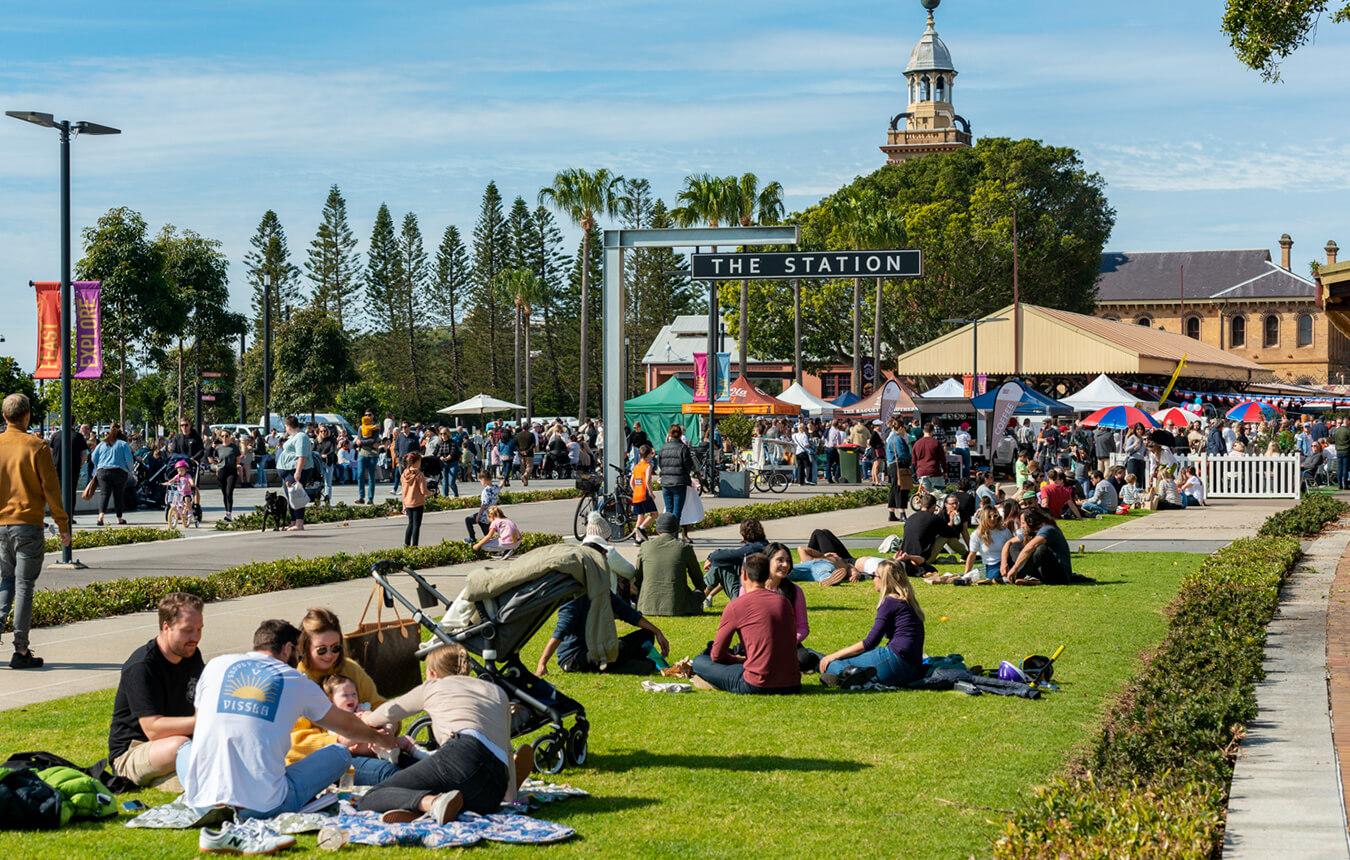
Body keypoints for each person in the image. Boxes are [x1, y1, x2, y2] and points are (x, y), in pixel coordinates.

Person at [178, 619, 395, 820]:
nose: (299, 661)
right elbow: (346, 725)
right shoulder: (294, 679)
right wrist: (379, 738)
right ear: (288, 648)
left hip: (203, 802)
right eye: (299, 655)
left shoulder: (216, 665)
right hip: (265, 806)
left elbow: (203, 721)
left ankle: (217, 800)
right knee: (339, 753)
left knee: (183, 750)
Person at [357, 644, 531, 824]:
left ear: (433, 673)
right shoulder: (497, 691)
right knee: (454, 791)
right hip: (492, 788)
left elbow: (389, 712)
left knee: (372, 797)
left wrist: (366, 718)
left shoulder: (434, 686)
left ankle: (432, 803)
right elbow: (507, 748)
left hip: (462, 754)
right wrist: (509, 800)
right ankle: (429, 807)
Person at [108, 592, 203, 789]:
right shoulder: (142, 666)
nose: (195, 637)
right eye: (188, 630)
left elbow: (201, 703)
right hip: (133, 752)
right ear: (166, 627)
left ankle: (184, 779)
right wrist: (204, 722)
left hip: (175, 746)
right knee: (181, 746)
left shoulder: (191, 654)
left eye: (199, 629)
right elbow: (153, 729)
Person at [535, 542, 670, 675]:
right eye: (603, 561)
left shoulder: (600, 588)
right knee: (620, 648)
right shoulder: (576, 593)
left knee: (646, 635)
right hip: (574, 657)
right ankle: (633, 665)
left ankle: (629, 664)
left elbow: (628, 613)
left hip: (598, 647)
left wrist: (657, 632)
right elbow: (561, 630)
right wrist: (542, 663)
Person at [690, 553, 800, 695]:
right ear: (768, 575)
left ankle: (712, 682)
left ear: (744, 574)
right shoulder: (783, 602)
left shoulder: (737, 606)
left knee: (699, 661)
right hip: (792, 683)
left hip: (757, 683)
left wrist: (736, 659)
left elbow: (717, 656)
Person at [817, 560, 925, 687]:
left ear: (884, 580)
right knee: (844, 661)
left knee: (831, 664)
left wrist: (833, 656)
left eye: (874, 576)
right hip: (914, 669)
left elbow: (870, 642)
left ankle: (850, 675)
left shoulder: (890, 602)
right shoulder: (908, 601)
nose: (873, 579)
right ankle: (855, 677)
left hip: (896, 663)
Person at [633, 513, 705, 616]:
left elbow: (638, 576)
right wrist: (700, 590)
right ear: (675, 530)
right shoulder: (684, 548)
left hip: (647, 605)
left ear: (657, 530)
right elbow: (697, 578)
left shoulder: (645, 546)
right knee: (698, 594)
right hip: (677, 605)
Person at [764, 542, 820, 673]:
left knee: (805, 659)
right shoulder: (751, 588)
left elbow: (802, 627)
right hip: (759, 643)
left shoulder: (795, 591)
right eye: (780, 560)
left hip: (787, 643)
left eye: (788, 561)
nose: (785, 565)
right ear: (767, 561)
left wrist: (786, 644)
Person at [703, 518, 768, 603]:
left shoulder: (750, 550)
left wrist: (710, 557)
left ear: (743, 535)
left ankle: (700, 597)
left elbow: (718, 556)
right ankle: (706, 596)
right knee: (728, 562)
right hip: (763, 593)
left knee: (720, 566)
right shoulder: (766, 546)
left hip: (744, 598)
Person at [1005, 508, 1074, 585]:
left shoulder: (1048, 529)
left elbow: (1030, 547)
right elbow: (1009, 542)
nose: (1021, 526)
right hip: (1044, 572)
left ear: (1031, 522)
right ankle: (1028, 577)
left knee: (1041, 549)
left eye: (1023, 523)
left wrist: (1015, 568)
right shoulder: (1034, 532)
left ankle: (1018, 576)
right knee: (1015, 545)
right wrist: (1003, 564)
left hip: (1060, 576)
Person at [901, 494, 965, 568]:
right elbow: (950, 533)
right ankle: (966, 554)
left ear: (921, 505)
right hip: (921, 559)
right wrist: (951, 521)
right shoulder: (934, 519)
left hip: (905, 557)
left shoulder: (910, 518)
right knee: (945, 537)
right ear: (934, 506)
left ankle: (966, 554)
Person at [90, 423, 134, 526]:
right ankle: (119, 518)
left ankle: (101, 516)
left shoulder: (101, 444)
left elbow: (93, 457)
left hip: (103, 471)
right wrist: (129, 471)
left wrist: (99, 465)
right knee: (118, 495)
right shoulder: (123, 444)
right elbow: (129, 460)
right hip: (119, 471)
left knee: (104, 494)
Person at [276, 416, 313, 531]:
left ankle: (299, 523)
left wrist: (298, 471)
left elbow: (302, 455)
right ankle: (293, 521)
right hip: (287, 472)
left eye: (286, 426)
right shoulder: (294, 437)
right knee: (290, 497)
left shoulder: (301, 437)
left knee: (296, 496)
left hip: (294, 470)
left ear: (288, 426)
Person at [657, 424, 695, 528]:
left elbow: (660, 464)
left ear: (669, 434)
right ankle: (674, 536)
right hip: (679, 481)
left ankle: (667, 534)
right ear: (680, 434)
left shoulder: (663, 448)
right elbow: (688, 465)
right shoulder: (683, 448)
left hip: (666, 482)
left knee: (668, 510)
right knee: (677, 511)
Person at [964, 509, 1012, 582]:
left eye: (995, 516)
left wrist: (1005, 563)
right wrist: (966, 574)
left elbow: (1012, 549)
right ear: (984, 518)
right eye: (989, 517)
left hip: (1006, 562)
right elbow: (972, 554)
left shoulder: (1005, 531)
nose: (992, 519)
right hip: (991, 565)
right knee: (995, 574)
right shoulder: (976, 534)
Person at [210, 431, 242, 523]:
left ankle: (229, 513)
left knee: (229, 492)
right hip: (222, 471)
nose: (224, 437)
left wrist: (237, 467)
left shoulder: (234, 448)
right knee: (224, 493)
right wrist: (217, 469)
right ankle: (226, 510)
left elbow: (238, 459)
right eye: (222, 436)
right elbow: (219, 460)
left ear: (229, 437)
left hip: (231, 470)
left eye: (226, 436)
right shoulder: (218, 448)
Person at [885, 418, 912, 523]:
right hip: (899, 465)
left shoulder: (891, 437)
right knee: (902, 488)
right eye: (904, 428)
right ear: (900, 428)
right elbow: (902, 454)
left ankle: (891, 512)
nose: (904, 430)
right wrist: (910, 458)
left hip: (892, 465)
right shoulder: (898, 438)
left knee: (894, 487)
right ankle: (902, 513)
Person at [400, 451, 428, 547]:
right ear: (416, 462)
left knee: (410, 523)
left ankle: (406, 543)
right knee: (416, 525)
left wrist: (403, 504)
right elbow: (423, 491)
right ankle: (415, 545)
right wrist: (431, 493)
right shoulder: (419, 475)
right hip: (417, 502)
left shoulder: (404, 474)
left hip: (407, 502)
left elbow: (403, 490)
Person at [630, 444, 657, 541]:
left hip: (636, 495)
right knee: (654, 514)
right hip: (644, 494)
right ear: (648, 455)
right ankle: (641, 529)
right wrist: (651, 493)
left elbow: (631, 482)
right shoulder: (648, 466)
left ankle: (638, 539)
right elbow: (647, 481)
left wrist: (635, 490)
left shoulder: (636, 467)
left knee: (640, 517)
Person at [464, 471, 500, 542]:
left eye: (481, 481)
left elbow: (484, 504)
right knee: (488, 535)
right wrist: (502, 484)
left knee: (468, 520)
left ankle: (472, 538)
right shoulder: (496, 487)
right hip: (492, 515)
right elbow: (500, 487)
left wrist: (478, 516)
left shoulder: (486, 491)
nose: (481, 483)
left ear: (483, 480)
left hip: (484, 516)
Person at [911, 424, 946, 495]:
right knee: (939, 494)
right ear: (933, 432)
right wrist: (945, 471)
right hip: (934, 471)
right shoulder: (936, 443)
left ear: (923, 431)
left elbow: (914, 461)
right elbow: (942, 459)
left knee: (925, 496)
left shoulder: (917, 443)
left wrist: (917, 469)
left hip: (922, 472)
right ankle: (938, 505)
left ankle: (925, 505)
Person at [356, 414, 380, 504]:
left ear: (373, 416)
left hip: (372, 454)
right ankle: (361, 497)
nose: (367, 416)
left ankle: (370, 498)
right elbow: (358, 440)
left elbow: (373, 440)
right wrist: (363, 442)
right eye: (365, 415)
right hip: (362, 453)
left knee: (371, 476)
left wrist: (362, 442)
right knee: (360, 474)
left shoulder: (375, 427)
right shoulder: (361, 427)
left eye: (369, 415)